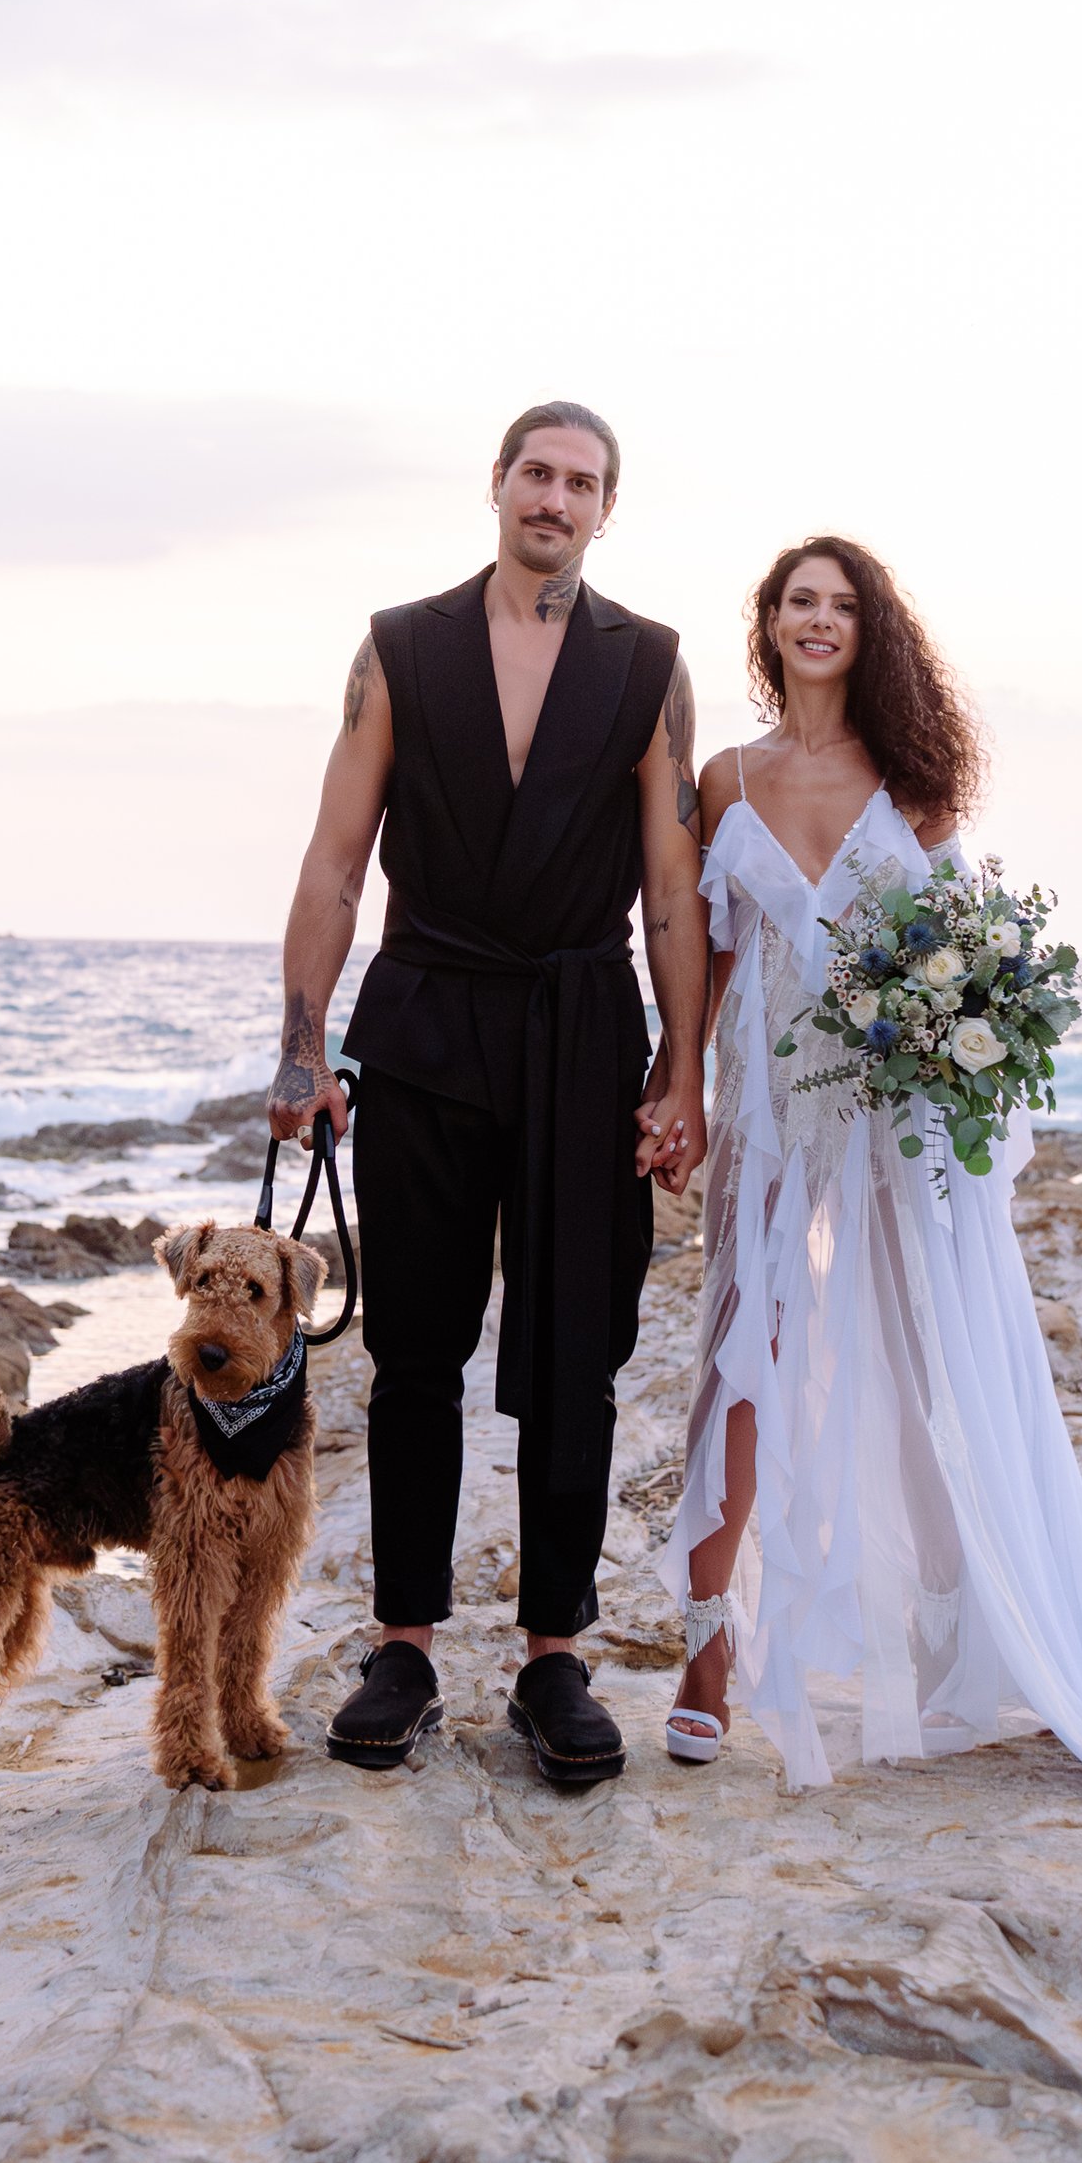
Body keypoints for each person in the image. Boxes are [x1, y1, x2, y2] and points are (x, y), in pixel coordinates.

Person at [660, 536, 1082, 1807]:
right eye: (796, 603)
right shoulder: (719, 780)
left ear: (869, 630)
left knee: (928, 1354)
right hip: (772, 1112)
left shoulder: (916, 786)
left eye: (839, 605)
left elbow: (947, 953)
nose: (816, 622)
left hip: (892, 1118)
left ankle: (953, 1627)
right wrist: (686, 1096)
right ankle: (708, 1653)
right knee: (740, 1358)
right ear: (765, 627)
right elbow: (706, 966)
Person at [270, 401, 708, 1786]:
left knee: (577, 1352)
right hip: (426, 1020)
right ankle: (402, 1643)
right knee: (414, 1347)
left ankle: (553, 1656)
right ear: (498, 485)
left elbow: (674, 886)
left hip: (583, 1030)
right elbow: (337, 859)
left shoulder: (650, 665)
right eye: (537, 471)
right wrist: (300, 1043)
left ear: (604, 509)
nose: (556, 498)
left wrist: (681, 1064)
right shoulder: (401, 646)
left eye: (583, 482)